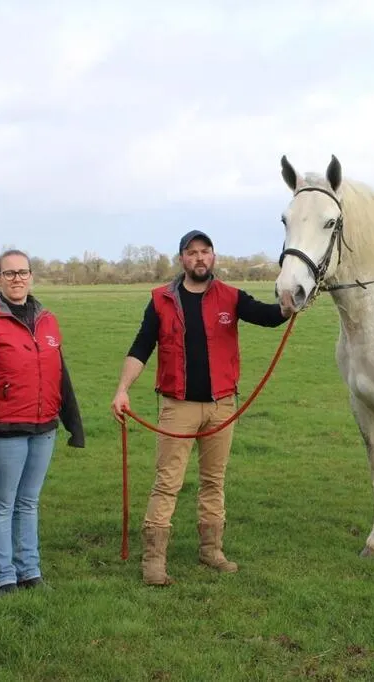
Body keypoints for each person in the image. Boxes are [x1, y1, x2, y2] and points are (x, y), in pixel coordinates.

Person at [111, 229, 291, 586]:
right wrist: (122, 390)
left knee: (213, 481)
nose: (199, 258)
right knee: (167, 483)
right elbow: (141, 346)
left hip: (222, 406)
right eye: (192, 252)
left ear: (213, 257)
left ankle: (211, 550)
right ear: (182, 259)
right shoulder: (161, 300)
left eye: (205, 251)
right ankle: (154, 561)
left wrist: (288, 305)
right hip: (178, 406)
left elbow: (269, 316)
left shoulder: (231, 296)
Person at [0, 249, 85, 595]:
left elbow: (60, 374)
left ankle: (30, 571)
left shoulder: (48, 320)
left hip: (43, 428)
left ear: (31, 276)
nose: (17, 279)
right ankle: (4, 577)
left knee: (28, 503)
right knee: (2, 505)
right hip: (4, 431)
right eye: (9, 273)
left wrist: (73, 424)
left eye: (22, 272)